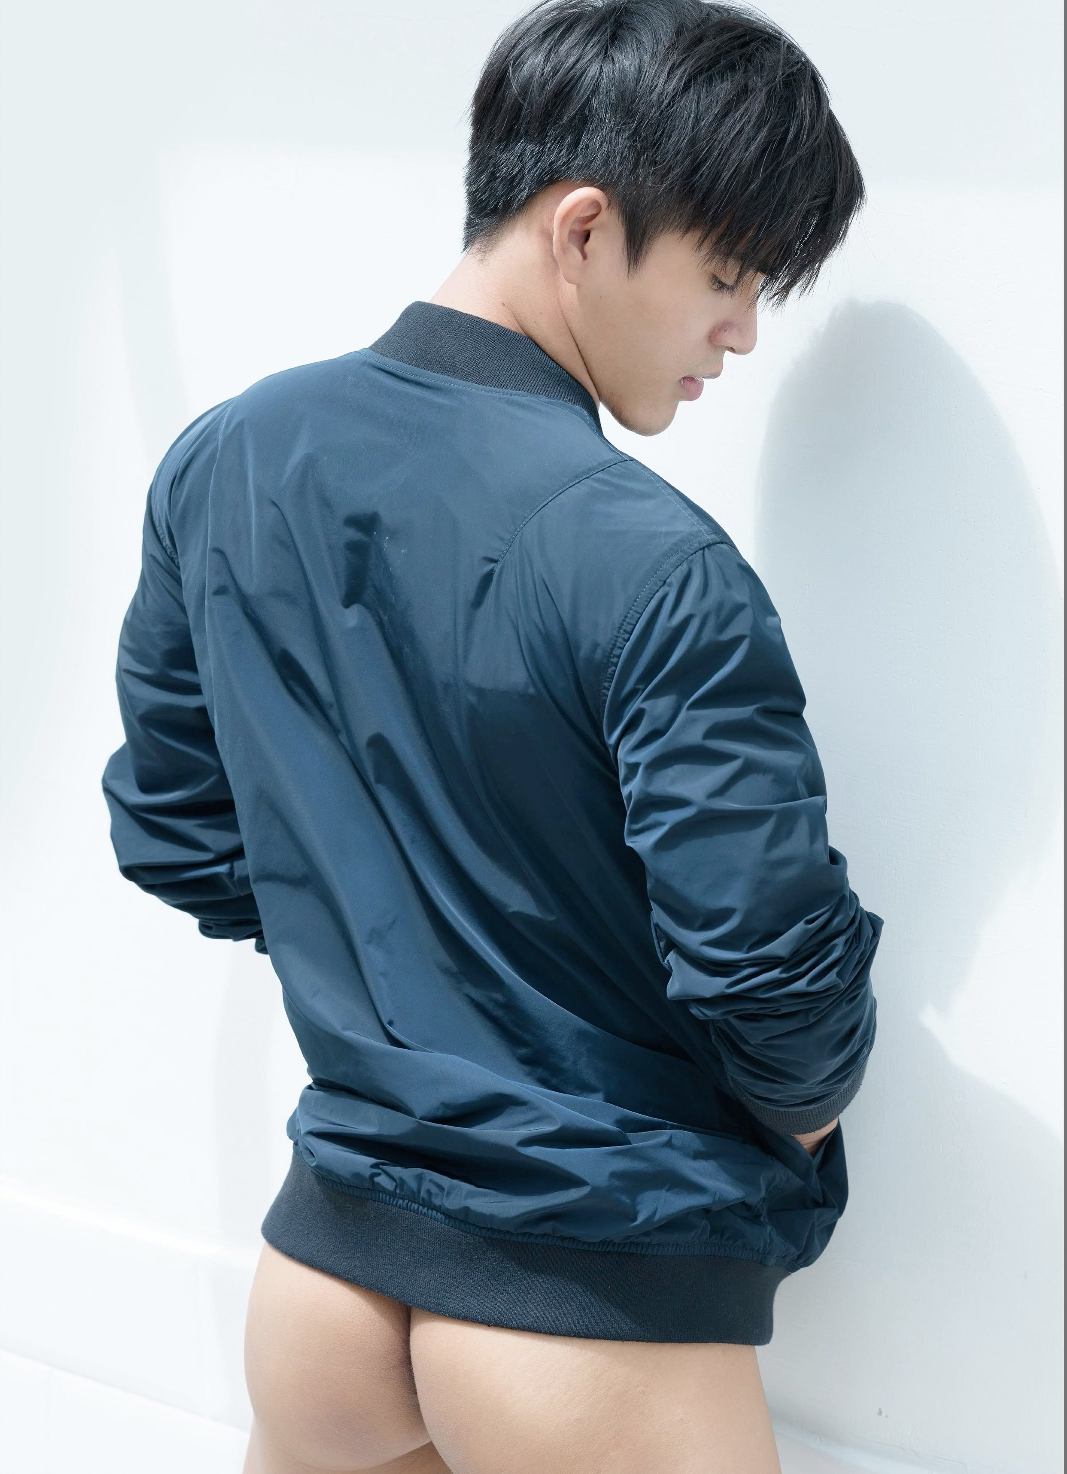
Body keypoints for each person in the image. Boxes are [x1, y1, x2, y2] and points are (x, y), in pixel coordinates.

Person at [101, 1, 883, 1469]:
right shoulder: (653, 562)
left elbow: (174, 829)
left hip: (326, 1279)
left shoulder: (224, 459)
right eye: (725, 276)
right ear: (584, 229)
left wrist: (389, 958)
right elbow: (769, 973)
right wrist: (805, 1106)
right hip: (589, 1303)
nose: (742, 330)